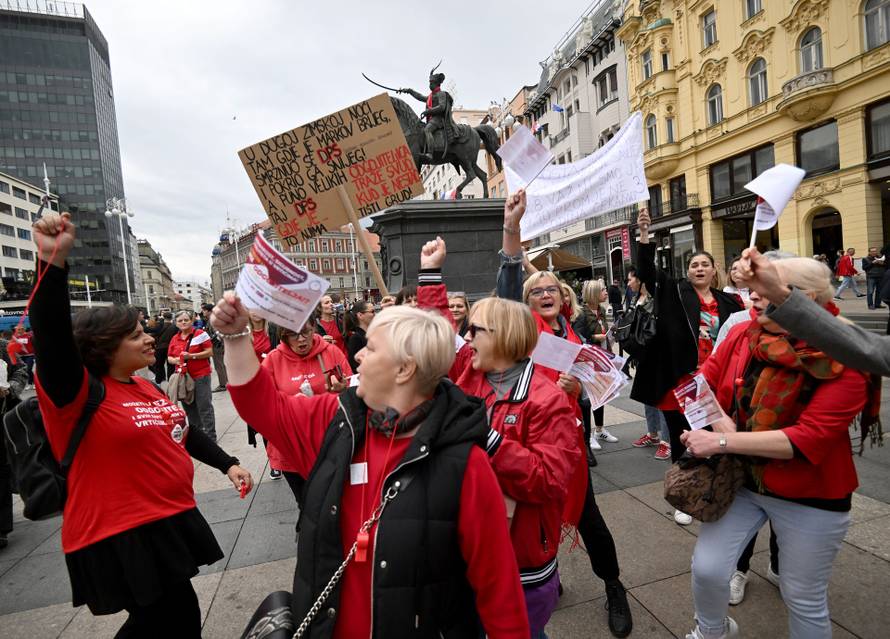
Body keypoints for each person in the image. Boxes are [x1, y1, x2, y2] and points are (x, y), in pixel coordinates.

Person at [213, 294, 530, 637]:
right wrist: (235, 336)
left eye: (372, 349)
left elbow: (498, 588)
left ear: (404, 369)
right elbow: (260, 404)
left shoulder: (465, 464)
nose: (358, 355)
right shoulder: (335, 421)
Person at [29, 211, 252, 637]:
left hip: (164, 519)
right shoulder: (74, 395)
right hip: (120, 531)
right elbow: (51, 334)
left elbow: (185, 433)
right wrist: (51, 261)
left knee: (173, 619)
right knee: (168, 619)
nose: (150, 337)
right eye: (135, 334)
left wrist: (228, 463)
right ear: (102, 347)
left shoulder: (144, 387)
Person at [680, 256, 874, 639]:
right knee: (708, 569)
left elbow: (806, 439)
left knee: (802, 596)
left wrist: (720, 440)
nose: (753, 295)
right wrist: (718, 421)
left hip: (812, 494)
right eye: (754, 287)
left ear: (807, 299)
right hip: (742, 483)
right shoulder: (744, 334)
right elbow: (693, 387)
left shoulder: (846, 356)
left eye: (766, 288)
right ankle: (712, 631)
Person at [498, 191, 632, 638]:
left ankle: (614, 586)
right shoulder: (520, 330)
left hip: (569, 442)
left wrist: (582, 388)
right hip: (529, 439)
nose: (544, 293)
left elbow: (595, 380)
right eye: (536, 291)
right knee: (537, 517)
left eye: (551, 289)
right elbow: (508, 285)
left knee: (588, 517)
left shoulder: (574, 330)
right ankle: (546, 577)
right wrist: (513, 231)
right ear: (526, 303)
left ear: (563, 296)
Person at [633, 207, 742, 524]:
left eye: (704, 264)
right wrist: (643, 234)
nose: (698, 268)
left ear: (713, 270)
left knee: (714, 441)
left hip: (716, 384)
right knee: (684, 440)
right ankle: (684, 496)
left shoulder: (729, 302)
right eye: (694, 264)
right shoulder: (674, 292)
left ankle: (714, 490)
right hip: (681, 383)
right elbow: (647, 271)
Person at [734, 247, 890, 380]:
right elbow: (871, 349)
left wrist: (779, 295)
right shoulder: (740, 332)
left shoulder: (844, 370)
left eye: (763, 287)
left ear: (807, 296)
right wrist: (778, 293)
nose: (754, 295)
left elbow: (868, 351)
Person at [261, 314, 351, 496]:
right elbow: (264, 404)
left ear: (313, 329)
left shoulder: (331, 352)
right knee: (306, 504)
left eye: (306, 332)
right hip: (292, 446)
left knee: (336, 501)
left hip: (330, 440)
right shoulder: (273, 359)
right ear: (283, 335)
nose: (301, 339)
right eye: (293, 334)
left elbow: (352, 388)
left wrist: (343, 388)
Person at [624, 268, 672, 461]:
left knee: (661, 398)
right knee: (647, 397)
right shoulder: (636, 299)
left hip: (657, 356)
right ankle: (653, 434)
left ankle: (666, 442)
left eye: (630, 279)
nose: (628, 283)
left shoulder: (655, 300)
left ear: (641, 280)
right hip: (643, 355)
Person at [573, 279, 619, 456]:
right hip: (588, 361)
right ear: (593, 293)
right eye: (603, 290)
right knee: (588, 399)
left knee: (601, 395)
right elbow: (577, 336)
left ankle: (599, 429)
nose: (606, 292)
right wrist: (594, 337)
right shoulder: (582, 313)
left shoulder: (601, 310)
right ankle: (588, 433)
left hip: (602, 358)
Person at [167, 311, 217, 441]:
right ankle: (199, 436)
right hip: (183, 377)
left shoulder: (200, 334)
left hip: (201, 375)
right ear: (176, 323)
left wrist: (192, 356)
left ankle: (211, 436)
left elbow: (209, 352)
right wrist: (176, 360)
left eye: (186, 320)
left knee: (204, 406)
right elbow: (169, 358)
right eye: (180, 321)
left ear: (191, 321)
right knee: (189, 407)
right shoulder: (174, 338)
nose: (183, 322)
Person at [0, 343, 29, 550]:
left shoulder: (2, 347)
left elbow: (20, 369)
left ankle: (1, 528)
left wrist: (9, 387)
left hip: (2, 415)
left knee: (1, 471)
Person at [200, 303, 228, 391]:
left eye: (204, 310)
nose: (203, 312)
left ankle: (223, 384)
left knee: (219, 365)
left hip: (217, 346)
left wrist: (210, 340)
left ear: (209, 311)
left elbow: (217, 333)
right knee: (222, 364)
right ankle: (226, 382)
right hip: (219, 345)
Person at [345, 300, 374, 372]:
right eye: (372, 311)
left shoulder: (372, 334)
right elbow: (355, 366)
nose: (375, 314)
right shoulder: (355, 338)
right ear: (360, 315)